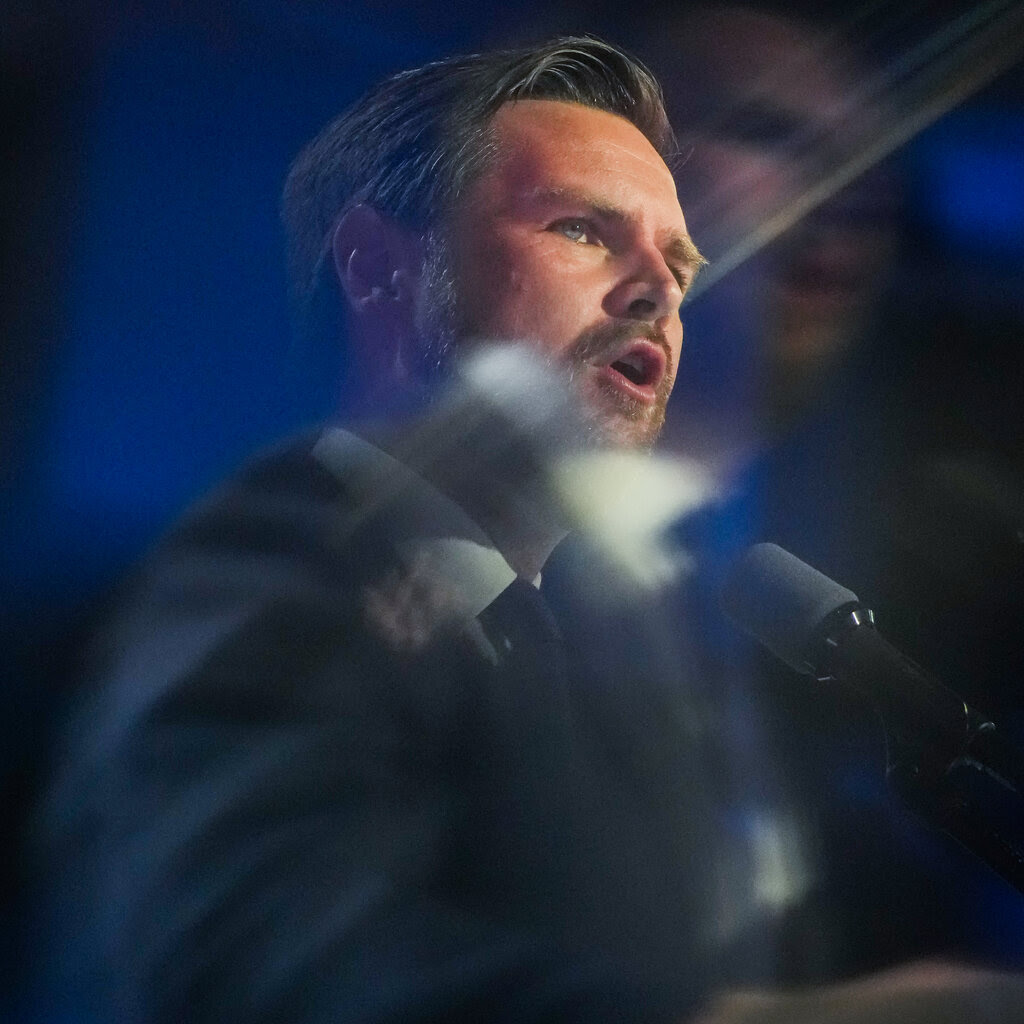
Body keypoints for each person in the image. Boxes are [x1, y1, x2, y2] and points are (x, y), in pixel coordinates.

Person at [33, 35, 1024, 1024]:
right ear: (379, 268)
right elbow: (260, 947)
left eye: (678, 261)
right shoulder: (268, 565)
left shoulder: (609, 663)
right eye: (584, 231)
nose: (660, 292)